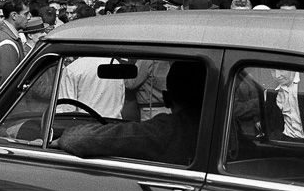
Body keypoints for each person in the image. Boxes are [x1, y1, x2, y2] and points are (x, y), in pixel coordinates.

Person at [53, 60, 206, 165]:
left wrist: (59, 140)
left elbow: (78, 139)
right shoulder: (222, 125)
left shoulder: (168, 130)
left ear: (167, 98)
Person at [56, 55, 124, 120]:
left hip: (85, 127)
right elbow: (120, 99)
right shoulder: (115, 63)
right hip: (115, 126)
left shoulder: (72, 69)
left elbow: (66, 111)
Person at [0, 0, 29, 100]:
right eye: (26, 14)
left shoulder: (10, 38)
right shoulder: (7, 43)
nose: (29, 17)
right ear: (14, 15)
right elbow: (8, 85)